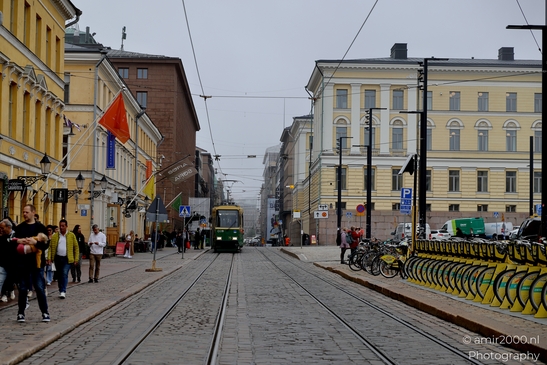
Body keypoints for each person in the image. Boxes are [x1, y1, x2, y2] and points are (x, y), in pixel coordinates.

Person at [14, 204, 49, 322]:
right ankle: (21, 313)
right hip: (23, 263)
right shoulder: (19, 228)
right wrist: (19, 241)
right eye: (23, 212)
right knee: (23, 289)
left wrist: (35, 242)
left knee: (39, 288)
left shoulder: (40, 227)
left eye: (26, 212)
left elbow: (45, 245)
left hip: (37, 264)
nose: (24, 214)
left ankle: (45, 312)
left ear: (33, 212)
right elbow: (13, 244)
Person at [47, 219, 79, 299]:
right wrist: (49, 258)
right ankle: (60, 288)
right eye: (60, 226)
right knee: (59, 274)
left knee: (64, 273)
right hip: (58, 258)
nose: (61, 228)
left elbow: (76, 247)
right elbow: (51, 247)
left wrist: (76, 259)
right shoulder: (55, 236)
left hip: (67, 259)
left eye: (63, 226)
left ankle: (63, 291)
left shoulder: (71, 235)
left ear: (66, 226)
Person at [0, 219, 18, 303]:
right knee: (1, 279)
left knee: (10, 279)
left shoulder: (16, 235)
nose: (1, 229)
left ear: (8, 227)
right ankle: (3, 294)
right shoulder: (2, 236)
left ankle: (10, 290)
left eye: (2, 228)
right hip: (3, 262)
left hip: (13, 263)